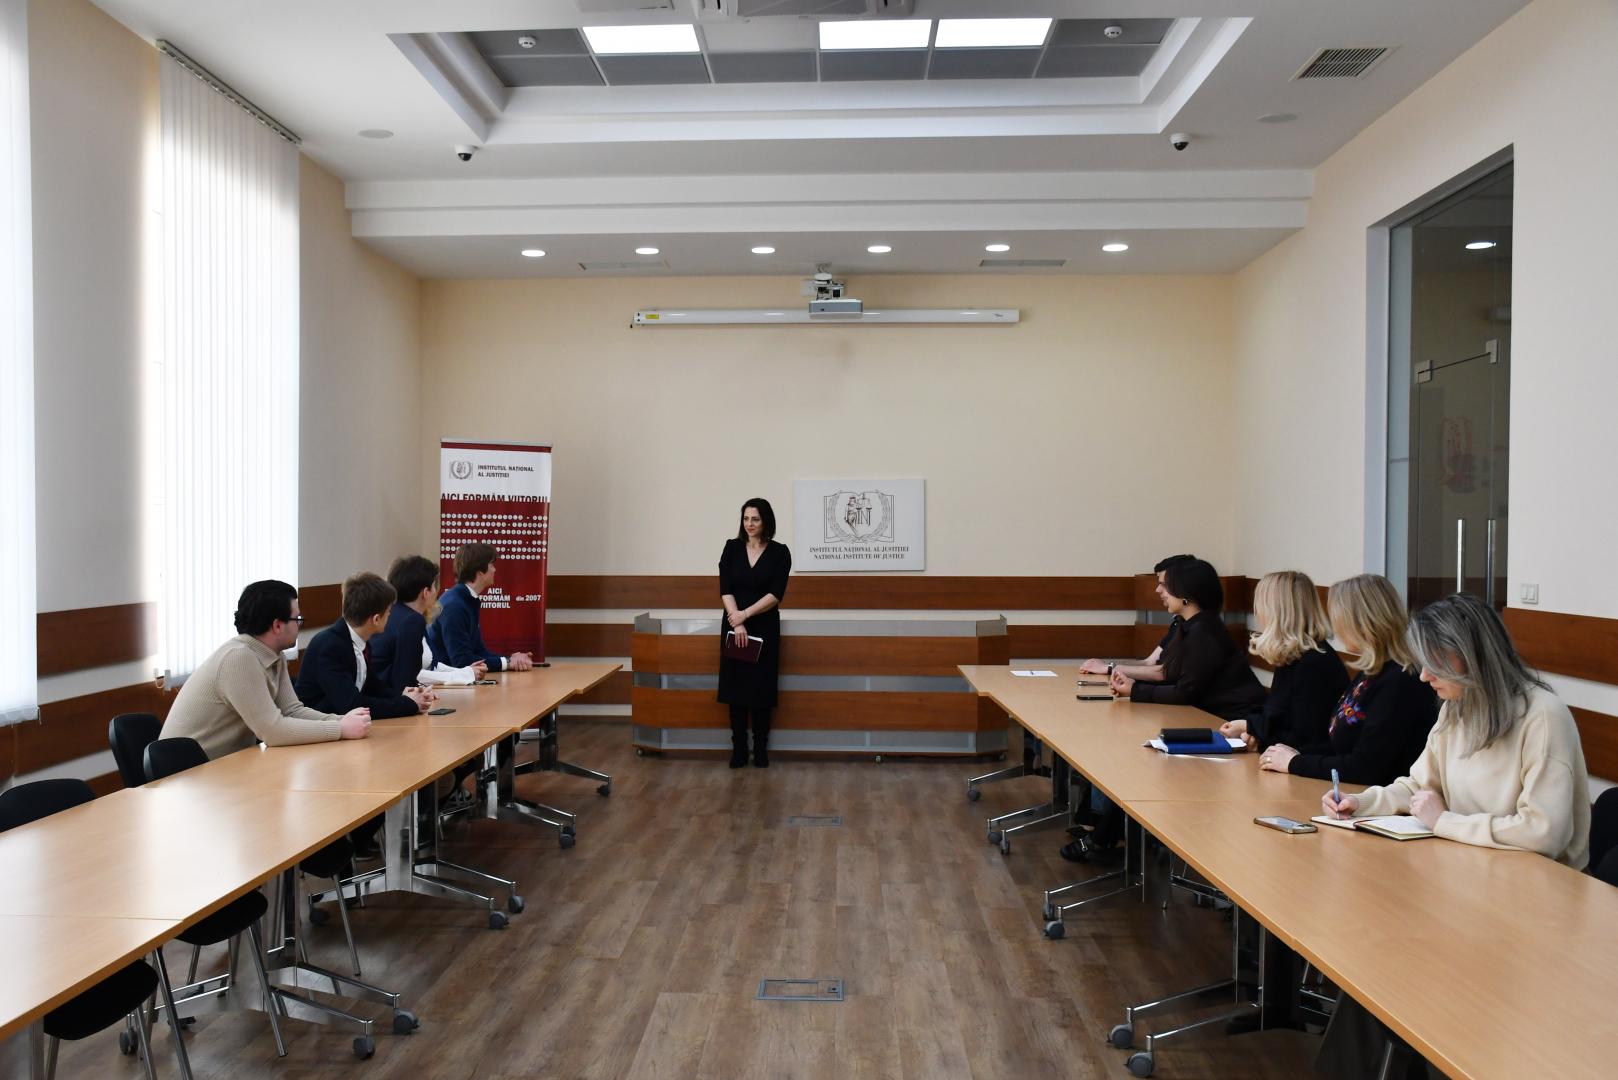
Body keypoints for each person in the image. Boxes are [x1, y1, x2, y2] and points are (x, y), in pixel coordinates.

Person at [1316, 593, 1591, 1080]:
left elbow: (1544, 834)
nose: (1422, 677)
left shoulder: (1542, 715)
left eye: (1430, 664)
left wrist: (1445, 824)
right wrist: (1363, 802)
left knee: (1423, 976)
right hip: (1469, 886)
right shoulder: (1456, 709)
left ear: (1466, 655)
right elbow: (1419, 786)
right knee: (1375, 968)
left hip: (1536, 908)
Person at [161, 579, 372, 758]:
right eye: (297, 619)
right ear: (277, 625)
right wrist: (340, 729)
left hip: (225, 770)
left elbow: (292, 710)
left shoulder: (273, 654)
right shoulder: (239, 658)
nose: (300, 624)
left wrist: (342, 720)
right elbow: (273, 730)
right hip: (189, 777)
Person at [1261, 574, 1437, 784]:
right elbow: (1339, 747)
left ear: (1359, 622)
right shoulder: (1373, 670)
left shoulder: (1401, 681)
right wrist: (1292, 753)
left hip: (1379, 800)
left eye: (1338, 618)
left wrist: (1296, 762)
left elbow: (1366, 767)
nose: (1335, 627)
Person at [1109, 558, 1266, 720]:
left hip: (1237, 723)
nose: (1158, 590)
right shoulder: (1189, 625)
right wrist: (1131, 685)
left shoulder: (1205, 632)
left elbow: (1184, 693)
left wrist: (1135, 690)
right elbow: (1169, 675)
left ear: (1185, 591)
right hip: (1213, 717)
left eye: (1166, 585)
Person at [1222, 571, 1349, 752]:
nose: (1257, 613)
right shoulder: (1293, 654)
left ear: (1275, 611)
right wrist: (1251, 727)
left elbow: (1305, 739)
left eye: (1260, 605)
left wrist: (1258, 737)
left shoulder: (1314, 664)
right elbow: (1280, 717)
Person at [294, 571, 435, 719]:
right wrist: (409, 704)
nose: (390, 616)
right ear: (376, 619)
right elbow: (351, 705)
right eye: (388, 612)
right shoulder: (329, 646)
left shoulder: (360, 640)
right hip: (319, 728)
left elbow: (373, 687)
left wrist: (405, 695)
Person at [718, 498, 791, 768]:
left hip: (763, 626)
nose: (749, 524)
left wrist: (746, 615)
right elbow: (725, 587)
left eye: (755, 519)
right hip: (734, 625)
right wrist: (736, 621)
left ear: (766, 521)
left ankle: (760, 749)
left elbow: (776, 594)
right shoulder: (731, 548)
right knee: (735, 689)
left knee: (761, 689)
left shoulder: (780, 553)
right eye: (746, 519)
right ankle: (739, 750)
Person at [370, 554, 486, 695]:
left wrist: (463, 671)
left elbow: (430, 665)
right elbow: (409, 678)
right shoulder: (410, 621)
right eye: (434, 586)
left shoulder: (407, 615)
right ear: (425, 592)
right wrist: (462, 675)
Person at [1079, 554, 1196, 681]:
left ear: (1182, 586)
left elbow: (1162, 673)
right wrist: (1107, 666)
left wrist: (1110, 668)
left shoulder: (1200, 630)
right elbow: (1149, 662)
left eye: (1164, 584)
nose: (1157, 590)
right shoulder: (1179, 623)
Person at [426, 542, 534, 672]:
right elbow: (462, 662)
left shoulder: (466, 599)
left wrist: (510, 660)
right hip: (445, 685)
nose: (495, 570)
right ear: (480, 572)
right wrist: (509, 662)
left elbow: (479, 651)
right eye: (491, 565)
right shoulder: (454, 606)